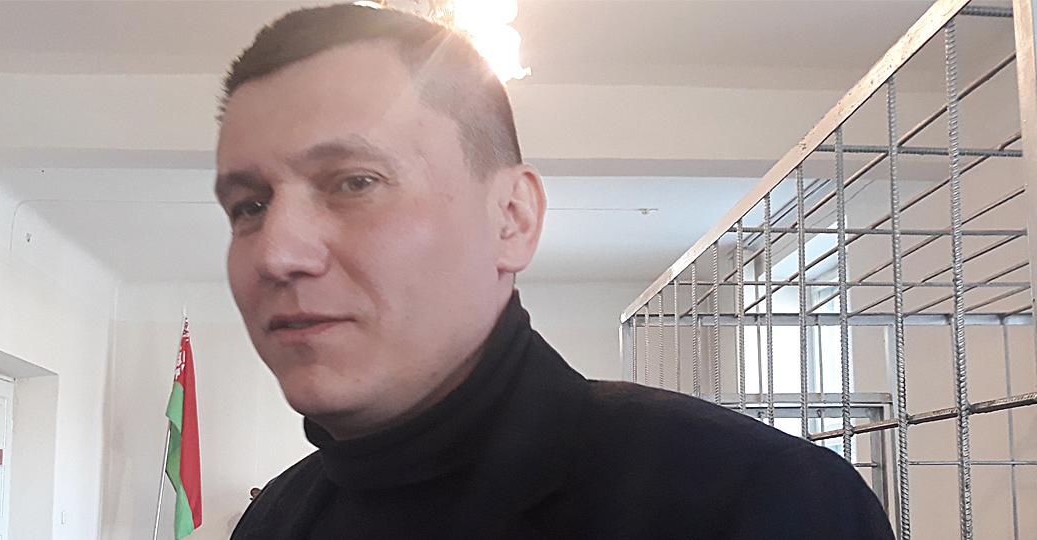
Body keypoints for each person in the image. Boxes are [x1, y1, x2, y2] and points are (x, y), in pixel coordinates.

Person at [214, 4, 894, 539]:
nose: (277, 253)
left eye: (355, 182)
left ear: (512, 218)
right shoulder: (272, 519)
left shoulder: (757, 500)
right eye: (250, 206)